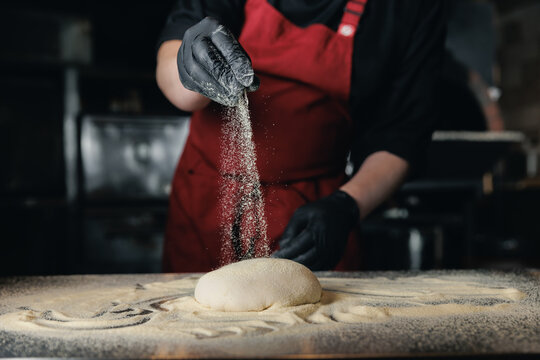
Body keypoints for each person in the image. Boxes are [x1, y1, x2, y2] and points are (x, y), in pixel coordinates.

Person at [156, 0, 446, 272]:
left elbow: (402, 135)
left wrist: (347, 206)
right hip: (206, 201)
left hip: (312, 218)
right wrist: (188, 63)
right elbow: (177, 83)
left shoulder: (409, 9)